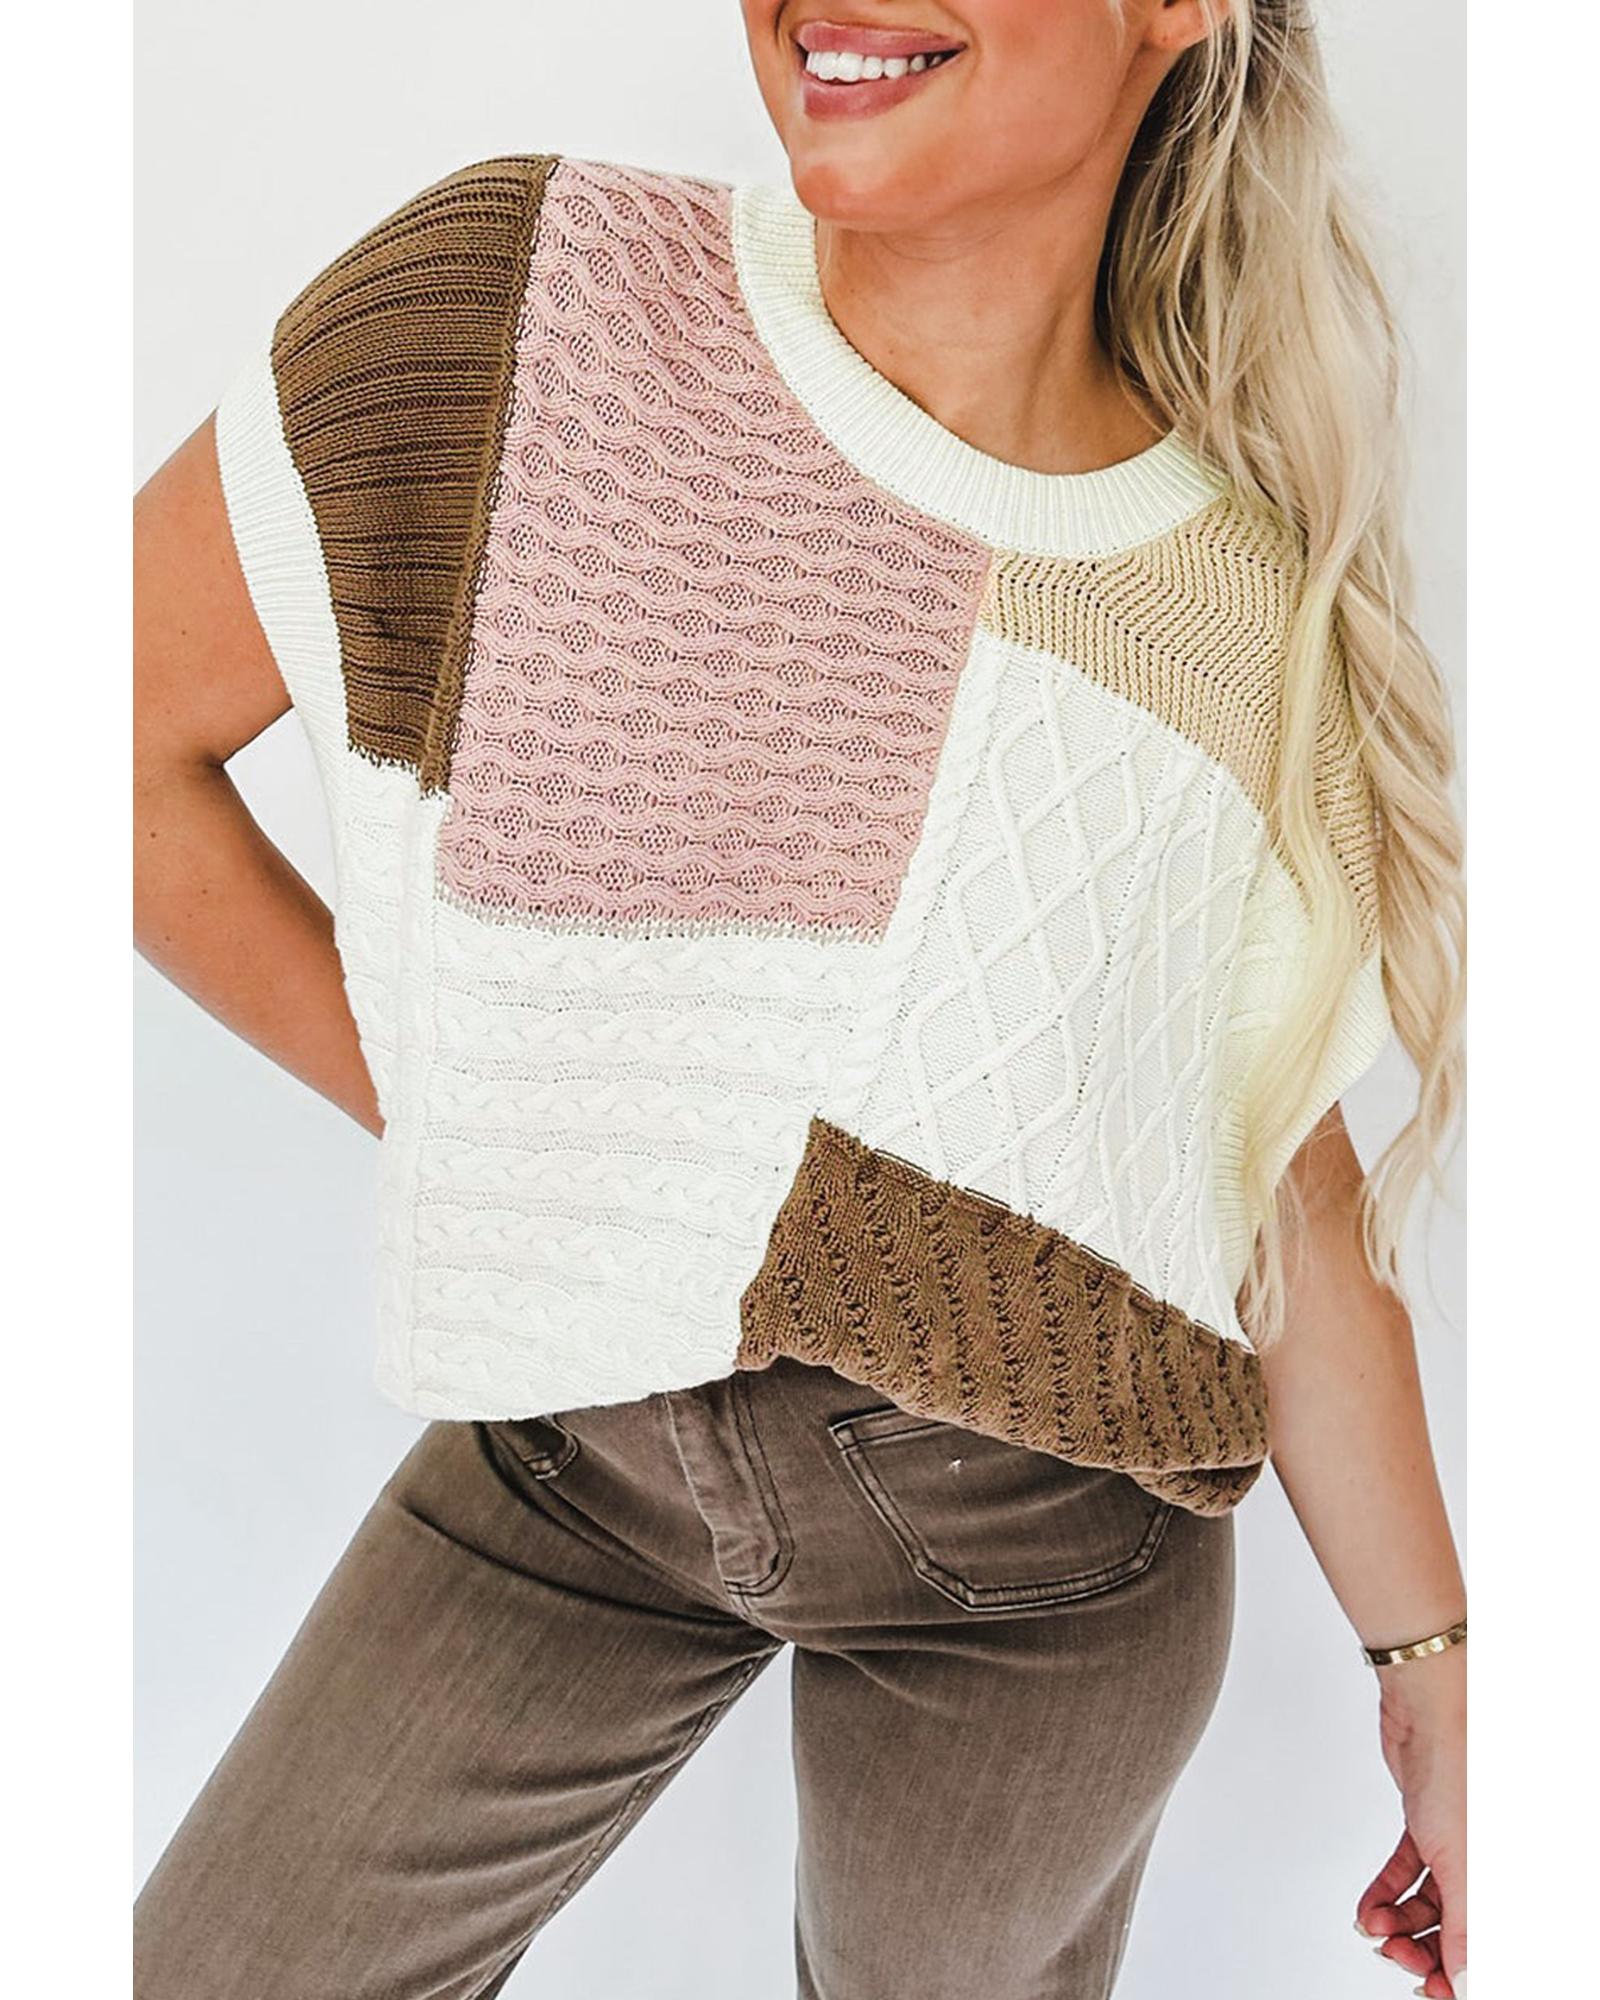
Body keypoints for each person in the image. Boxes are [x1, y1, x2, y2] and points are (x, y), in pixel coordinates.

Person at [131, 3, 1467, 1995]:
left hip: (1042, 1569)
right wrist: (513, 1126)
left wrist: (1437, 1672)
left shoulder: (1231, 611)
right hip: (571, 1458)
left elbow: (1276, 1180)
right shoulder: (531, 305)